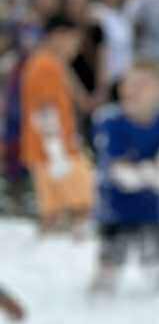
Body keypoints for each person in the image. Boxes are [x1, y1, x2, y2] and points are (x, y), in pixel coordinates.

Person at [90, 61, 159, 293]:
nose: (133, 90)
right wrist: (155, 172)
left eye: (143, 84)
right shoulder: (109, 120)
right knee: (106, 275)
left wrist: (157, 173)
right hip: (115, 210)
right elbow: (120, 173)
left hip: (156, 209)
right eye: (128, 83)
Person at [20, 16, 94, 234]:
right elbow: (44, 109)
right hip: (54, 149)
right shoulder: (45, 65)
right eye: (74, 41)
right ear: (58, 36)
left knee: (56, 210)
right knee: (78, 205)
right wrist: (56, 151)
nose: (76, 48)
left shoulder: (50, 63)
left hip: (53, 146)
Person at [93, 0, 135, 94]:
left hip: (125, 81)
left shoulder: (124, 14)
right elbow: (99, 51)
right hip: (107, 83)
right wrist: (102, 87)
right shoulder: (95, 14)